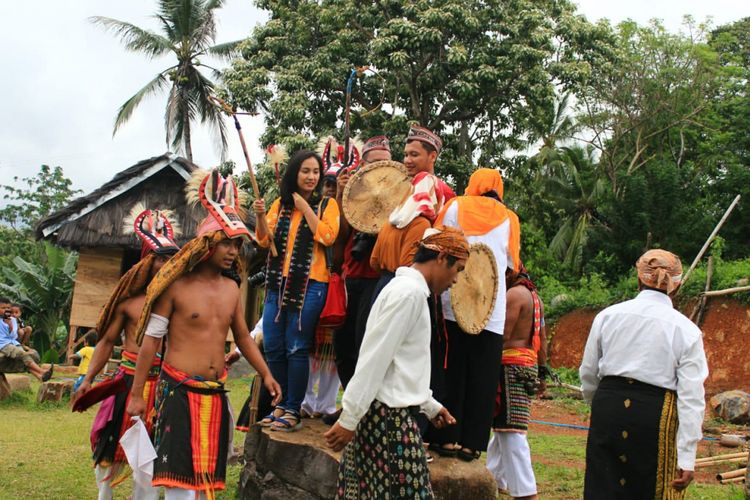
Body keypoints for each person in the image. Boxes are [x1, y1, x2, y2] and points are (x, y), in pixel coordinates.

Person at [127, 169, 282, 499]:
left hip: (215, 393)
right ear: (206, 244)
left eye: (237, 244)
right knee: (178, 481)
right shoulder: (175, 287)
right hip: (178, 391)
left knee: (204, 483)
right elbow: (152, 341)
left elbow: (242, 337)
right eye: (225, 242)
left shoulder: (231, 289)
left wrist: (266, 373)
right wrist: (138, 393)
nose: (232, 251)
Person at [325, 226, 470, 499]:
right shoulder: (408, 294)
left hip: (385, 415)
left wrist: (428, 405)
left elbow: (398, 363)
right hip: (388, 421)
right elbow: (375, 358)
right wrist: (349, 418)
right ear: (441, 258)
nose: (455, 280)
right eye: (458, 269)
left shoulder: (408, 291)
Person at [72, 203, 181, 500]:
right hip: (126, 383)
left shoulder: (180, 303)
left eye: (172, 261)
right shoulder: (128, 303)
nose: (167, 266)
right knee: (109, 445)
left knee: (151, 456)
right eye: (160, 260)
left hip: (163, 385)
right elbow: (106, 342)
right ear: (147, 263)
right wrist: (88, 379)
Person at [579, 249, 708, 499]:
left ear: (638, 278)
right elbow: (691, 397)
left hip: (608, 405)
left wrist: (598, 405)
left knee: (603, 485)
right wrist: (687, 457)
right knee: (648, 489)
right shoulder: (687, 330)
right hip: (654, 415)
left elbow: (588, 372)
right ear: (676, 286)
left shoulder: (607, 316)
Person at [430, 168, 521, 461]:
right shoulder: (510, 218)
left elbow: (436, 242)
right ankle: (472, 444)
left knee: (451, 371)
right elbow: (511, 264)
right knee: (482, 378)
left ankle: (446, 438)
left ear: (473, 185)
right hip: (490, 309)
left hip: (452, 302)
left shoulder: (454, 205)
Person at [253, 150, 340, 432]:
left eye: (316, 171)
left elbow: (327, 236)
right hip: (278, 282)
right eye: (305, 171)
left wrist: (306, 208)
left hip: (311, 284)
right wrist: (258, 217)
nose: (311, 176)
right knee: (275, 346)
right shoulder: (280, 204)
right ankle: (279, 405)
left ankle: (293, 408)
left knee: (296, 346)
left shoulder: (327, 205)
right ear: (294, 173)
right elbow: (264, 241)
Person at [331, 135, 390, 395]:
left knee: (366, 344)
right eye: (375, 162)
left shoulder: (398, 192)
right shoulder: (353, 192)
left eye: (386, 162)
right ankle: (350, 404)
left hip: (379, 279)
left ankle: (361, 409)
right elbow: (340, 236)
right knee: (342, 346)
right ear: (362, 165)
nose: (381, 167)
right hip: (350, 277)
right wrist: (341, 193)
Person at [486, 266, 548, 500]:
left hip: (511, 365)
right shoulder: (535, 296)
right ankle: (494, 479)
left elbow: (501, 335)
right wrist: (542, 372)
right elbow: (541, 338)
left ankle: (526, 491)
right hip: (527, 365)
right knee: (504, 427)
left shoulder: (513, 295)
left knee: (511, 429)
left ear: (510, 272)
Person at [369, 171, 445, 301]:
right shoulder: (421, 224)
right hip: (403, 292)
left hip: (382, 286)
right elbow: (408, 265)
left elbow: (374, 261)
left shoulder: (390, 221)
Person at [0, 297, 51, 381]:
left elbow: (13, 336)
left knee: (24, 358)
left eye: (8, 308)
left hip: (13, 342)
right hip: (3, 344)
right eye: (3, 308)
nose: (6, 310)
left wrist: (9, 324)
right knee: (22, 354)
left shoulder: (12, 320)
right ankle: (41, 371)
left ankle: (40, 377)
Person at [403, 125, 456, 201]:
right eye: (406, 155)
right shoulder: (399, 189)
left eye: (414, 155)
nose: (407, 160)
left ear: (432, 156)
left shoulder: (445, 193)